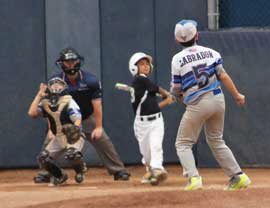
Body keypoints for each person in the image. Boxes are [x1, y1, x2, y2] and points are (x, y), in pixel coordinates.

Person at [170, 19, 251, 191]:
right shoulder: (212, 53)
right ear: (197, 36)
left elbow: (176, 88)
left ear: (177, 40)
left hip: (198, 103)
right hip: (218, 99)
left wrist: (177, 96)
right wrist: (237, 95)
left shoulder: (177, 59)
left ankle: (193, 178)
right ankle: (238, 176)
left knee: (183, 143)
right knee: (216, 140)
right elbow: (223, 76)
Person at [33, 47, 130, 183]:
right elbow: (50, 108)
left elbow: (97, 105)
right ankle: (45, 172)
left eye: (73, 61)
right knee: (47, 146)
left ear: (79, 61)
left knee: (103, 141)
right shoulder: (55, 82)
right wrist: (51, 129)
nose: (71, 64)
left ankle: (118, 170)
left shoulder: (91, 81)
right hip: (62, 120)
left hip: (86, 117)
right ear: (61, 63)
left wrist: (99, 126)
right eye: (67, 62)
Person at [28, 77, 87, 185]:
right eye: (53, 84)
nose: (56, 86)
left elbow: (77, 118)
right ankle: (60, 176)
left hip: (73, 136)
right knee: (43, 158)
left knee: (72, 155)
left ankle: (80, 170)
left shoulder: (68, 100)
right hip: (58, 136)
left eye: (59, 84)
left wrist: (75, 130)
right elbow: (32, 113)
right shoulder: (46, 102)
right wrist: (39, 96)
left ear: (64, 87)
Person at [128, 52, 175, 185]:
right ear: (134, 67)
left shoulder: (145, 86)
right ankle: (151, 170)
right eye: (141, 64)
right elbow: (158, 89)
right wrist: (168, 95)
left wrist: (167, 100)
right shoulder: (140, 80)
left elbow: (154, 106)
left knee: (156, 146)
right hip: (141, 123)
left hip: (156, 121)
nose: (146, 66)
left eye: (147, 64)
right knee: (146, 153)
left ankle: (157, 169)